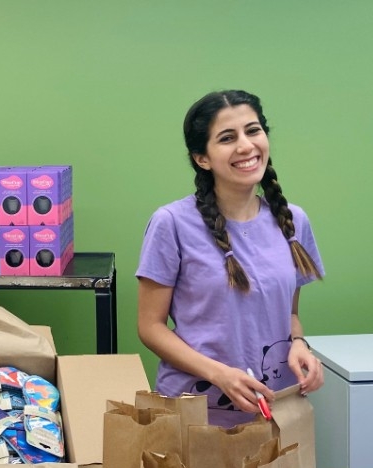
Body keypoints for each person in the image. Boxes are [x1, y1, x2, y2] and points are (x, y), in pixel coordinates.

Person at [136, 89, 325, 427]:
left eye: (253, 131)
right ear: (202, 158)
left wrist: (299, 344)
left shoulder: (294, 221)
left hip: (274, 409)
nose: (245, 146)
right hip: (194, 414)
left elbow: (290, 313)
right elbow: (150, 327)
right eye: (227, 138)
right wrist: (220, 374)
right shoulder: (171, 223)